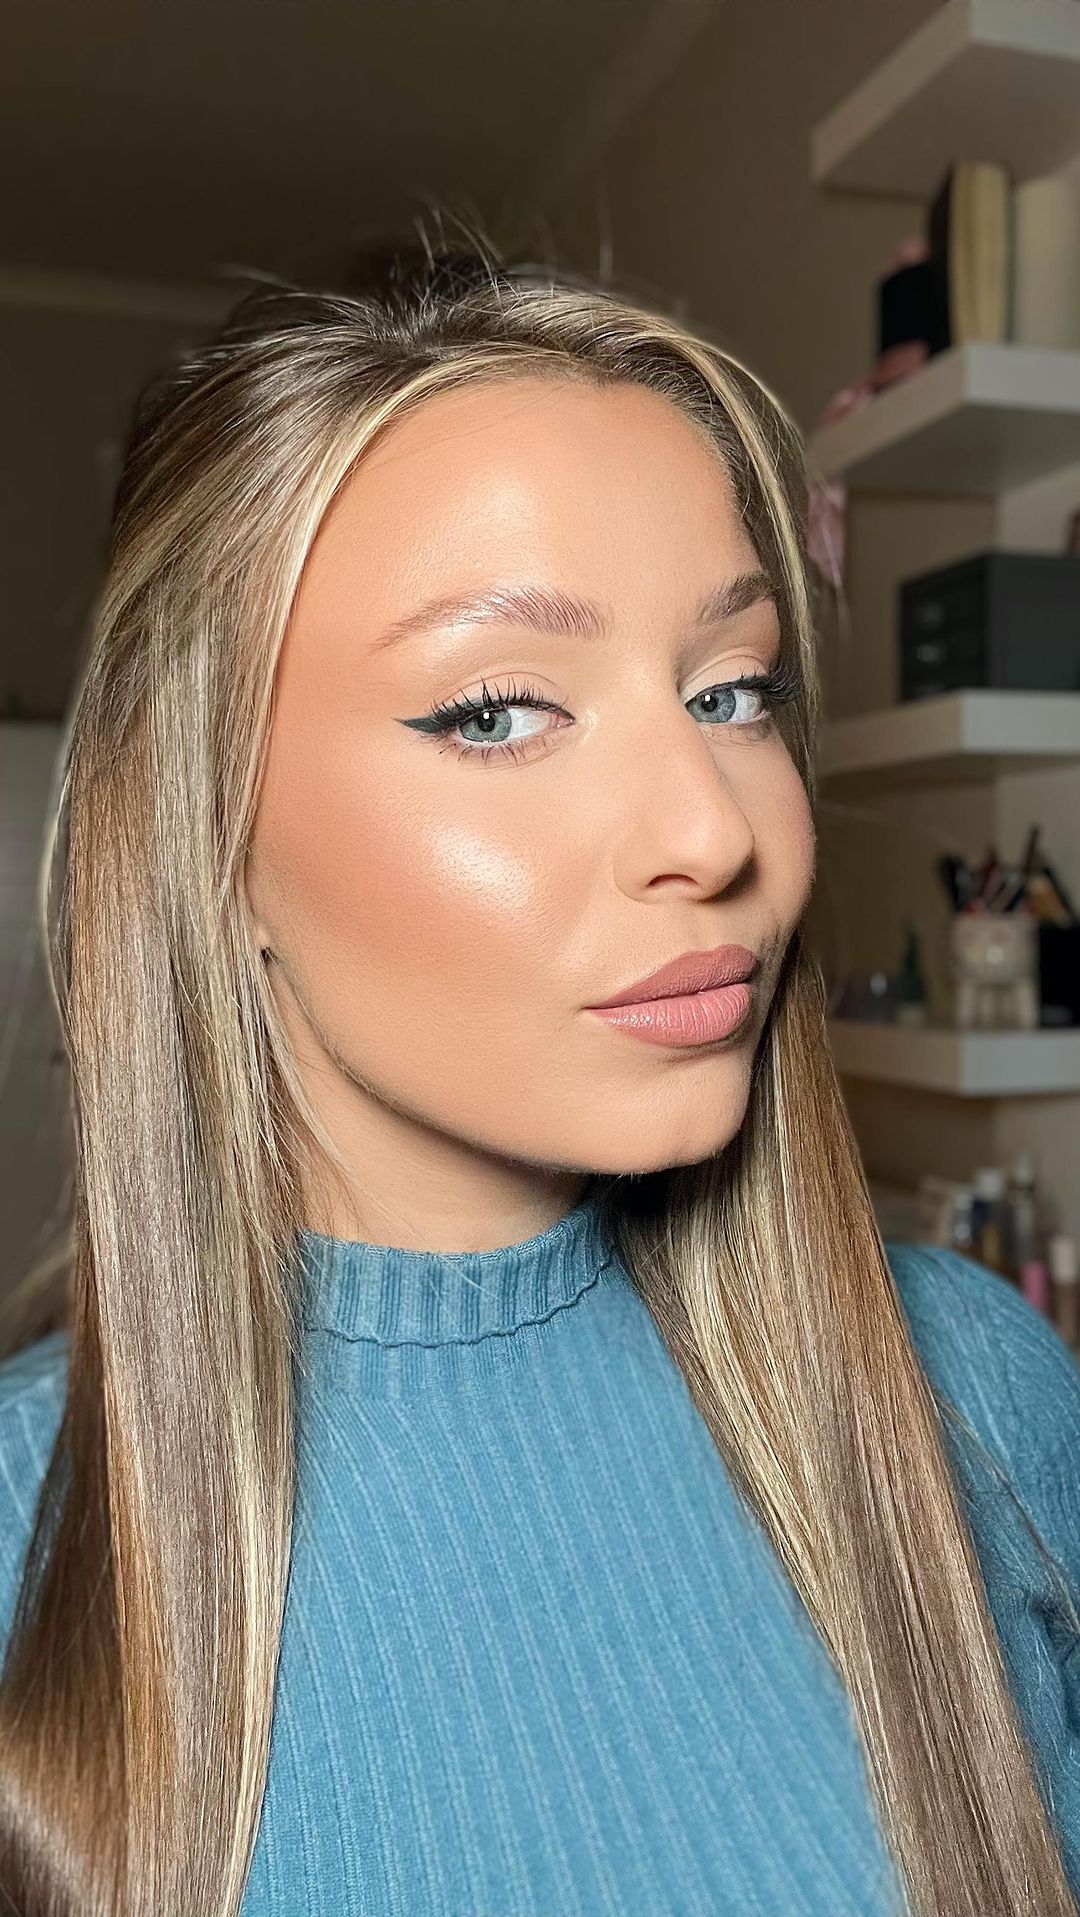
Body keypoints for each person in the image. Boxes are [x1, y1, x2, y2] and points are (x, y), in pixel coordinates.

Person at [0, 233, 1077, 1917]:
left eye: (732, 690)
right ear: (205, 833)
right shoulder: (25, 1545)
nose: (713, 827)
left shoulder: (982, 1400)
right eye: (499, 713)